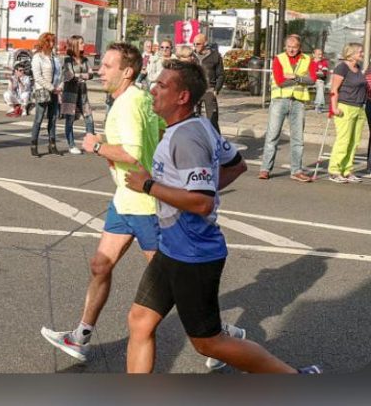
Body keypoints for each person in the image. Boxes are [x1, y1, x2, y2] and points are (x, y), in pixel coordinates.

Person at [124, 60, 320, 375]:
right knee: (140, 320)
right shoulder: (200, 125)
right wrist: (190, 191)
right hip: (171, 249)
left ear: (182, 97)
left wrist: (149, 185)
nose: (153, 89)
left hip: (193, 254)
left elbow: (202, 203)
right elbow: (237, 165)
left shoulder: (186, 138)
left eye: (161, 85)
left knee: (208, 343)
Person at [40, 42, 164, 363]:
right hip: (125, 200)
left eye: (108, 66)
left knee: (172, 280)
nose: (100, 70)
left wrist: (97, 146)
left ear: (127, 71)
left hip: (145, 205)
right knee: (100, 265)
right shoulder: (139, 98)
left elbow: (132, 153)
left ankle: (215, 334)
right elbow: (160, 133)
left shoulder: (128, 104)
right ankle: (81, 337)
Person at [259, 35, 317, 181]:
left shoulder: (307, 59)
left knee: (298, 139)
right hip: (280, 100)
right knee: (272, 136)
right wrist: (301, 79)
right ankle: (265, 169)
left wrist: (294, 77)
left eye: (294, 47)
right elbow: (280, 81)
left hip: (298, 102)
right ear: (285, 46)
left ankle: (296, 171)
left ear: (299, 47)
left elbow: (312, 79)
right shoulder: (279, 58)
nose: (291, 50)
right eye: (289, 47)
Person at [326, 42, 366, 184]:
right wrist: (334, 108)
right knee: (343, 140)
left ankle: (347, 170)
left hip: (358, 107)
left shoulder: (358, 68)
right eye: (360, 52)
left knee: (354, 142)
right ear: (352, 53)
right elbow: (334, 89)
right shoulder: (342, 67)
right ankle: (334, 170)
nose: (362, 54)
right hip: (345, 107)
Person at [61, 35, 96, 155]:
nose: (83, 44)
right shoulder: (67, 60)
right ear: (75, 44)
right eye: (81, 43)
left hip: (82, 93)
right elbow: (69, 75)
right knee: (70, 120)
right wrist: (83, 76)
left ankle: (91, 143)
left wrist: (79, 76)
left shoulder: (85, 60)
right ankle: (71, 145)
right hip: (70, 94)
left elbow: (91, 74)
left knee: (89, 118)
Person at [30, 32, 62, 157]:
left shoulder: (55, 58)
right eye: (49, 41)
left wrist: (59, 86)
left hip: (54, 91)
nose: (52, 44)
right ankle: (34, 145)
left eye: (53, 41)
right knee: (38, 119)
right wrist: (51, 87)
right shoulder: (38, 57)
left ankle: (52, 145)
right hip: (43, 91)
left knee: (53, 118)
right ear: (44, 42)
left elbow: (59, 74)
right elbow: (37, 77)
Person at [193, 33, 225, 133]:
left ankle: (216, 140)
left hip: (209, 90)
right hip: (195, 91)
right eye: (194, 44)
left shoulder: (215, 56)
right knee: (194, 120)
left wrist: (216, 90)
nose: (195, 46)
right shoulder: (192, 56)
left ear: (205, 43)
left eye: (198, 44)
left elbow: (221, 75)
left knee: (212, 120)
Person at [311, 48, 330, 113]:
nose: (320, 56)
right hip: (309, 80)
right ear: (313, 55)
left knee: (320, 85)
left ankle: (319, 106)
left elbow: (323, 74)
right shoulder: (310, 62)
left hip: (319, 80)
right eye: (318, 54)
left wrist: (316, 73)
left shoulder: (324, 63)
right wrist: (317, 73)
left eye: (321, 54)